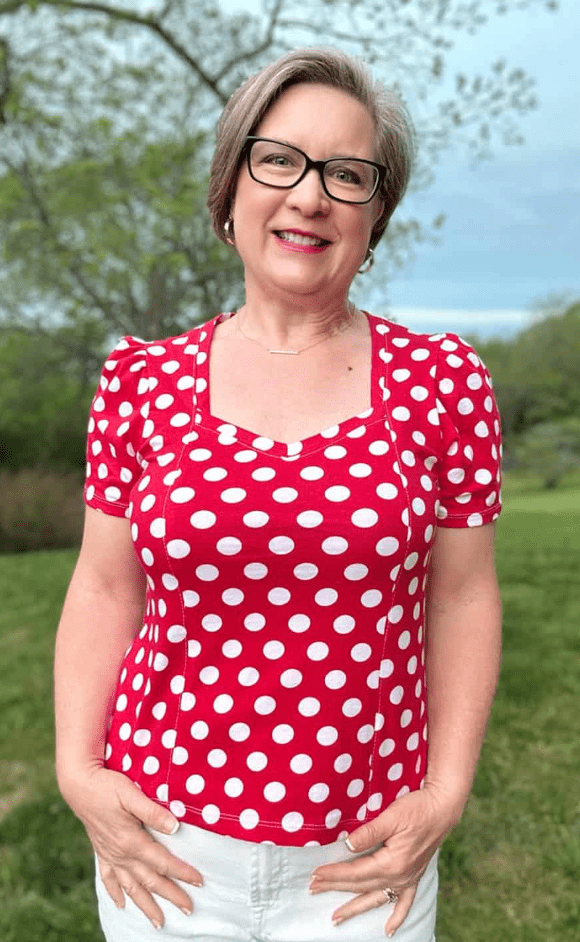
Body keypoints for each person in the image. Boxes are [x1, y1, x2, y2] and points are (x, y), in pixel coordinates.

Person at [54, 46, 502, 942]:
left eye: (347, 174)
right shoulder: (140, 382)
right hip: (164, 853)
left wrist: (446, 792)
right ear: (230, 188)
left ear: (375, 216)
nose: (310, 195)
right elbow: (104, 587)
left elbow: (461, 596)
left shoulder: (446, 382)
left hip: (366, 861)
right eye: (279, 160)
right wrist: (76, 771)